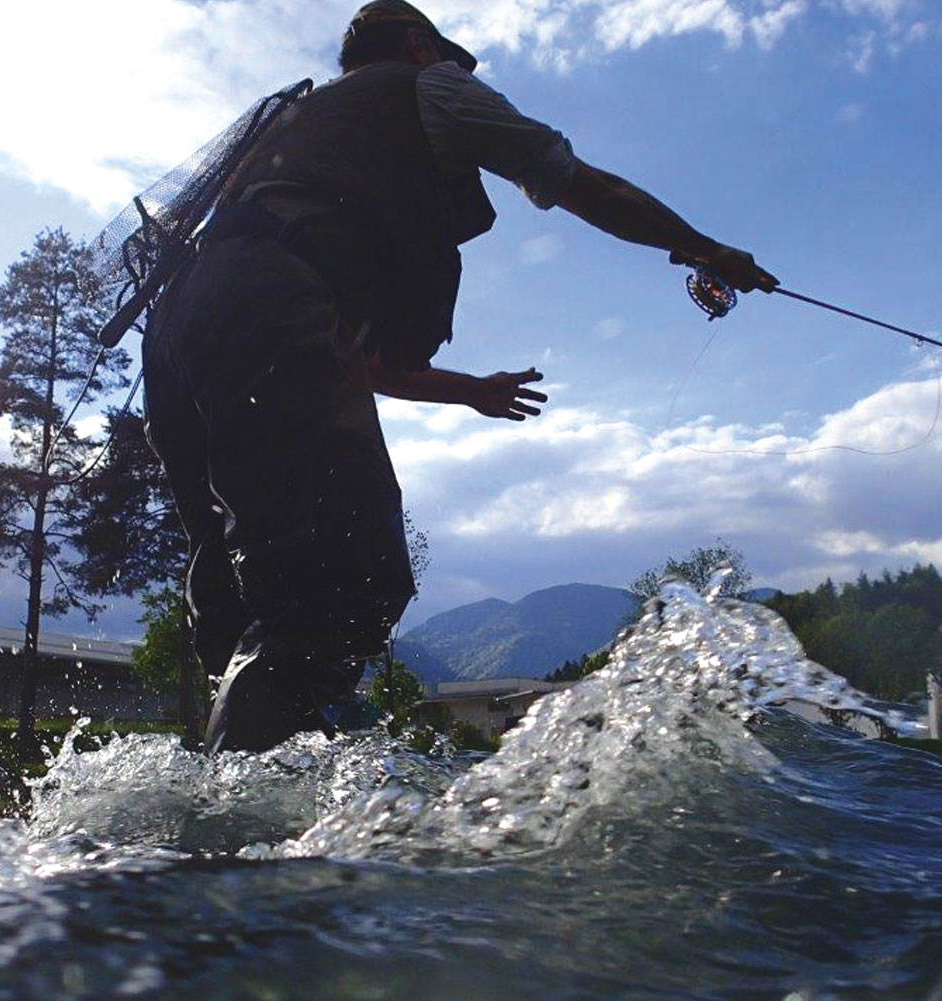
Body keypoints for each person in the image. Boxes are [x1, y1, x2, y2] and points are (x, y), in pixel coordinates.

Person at [143, 0, 777, 754]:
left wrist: (470, 390)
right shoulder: (429, 86)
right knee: (347, 577)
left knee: (241, 585)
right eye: (449, 56)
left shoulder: (302, 136)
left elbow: (354, 365)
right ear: (419, 45)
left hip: (175, 330)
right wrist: (703, 249)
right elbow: (585, 186)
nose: (459, 71)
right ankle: (253, 813)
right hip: (265, 305)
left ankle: (214, 792)